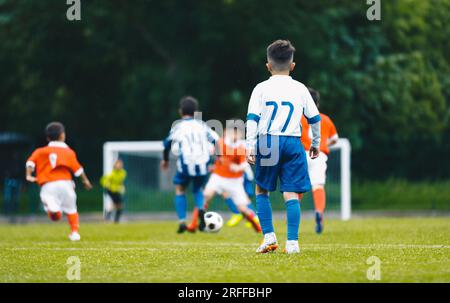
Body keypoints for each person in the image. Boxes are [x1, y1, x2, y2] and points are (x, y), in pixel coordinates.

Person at [246, 40, 321, 254]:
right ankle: (293, 243)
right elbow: (315, 119)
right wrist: (315, 143)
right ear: (293, 65)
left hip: (268, 141)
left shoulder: (261, 88)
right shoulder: (300, 88)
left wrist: (250, 145)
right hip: (293, 142)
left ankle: (269, 237)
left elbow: (252, 118)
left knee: (262, 189)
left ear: (268, 66)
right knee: (291, 193)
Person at [25, 122, 93, 241]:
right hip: (66, 184)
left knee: (54, 214)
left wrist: (29, 175)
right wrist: (86, 181)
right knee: (72, 209)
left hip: (48, 184)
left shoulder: (40, 151)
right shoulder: (69, 152)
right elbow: (78, 170)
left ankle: (54, 209)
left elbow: (30, 163)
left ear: (47, 137)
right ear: (62, 135)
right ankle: (75, 233)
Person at [161, 96, 218, 233]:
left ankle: (182, 221)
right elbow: (217, 141)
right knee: (198, 190)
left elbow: (167, 144)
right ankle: (201, 209)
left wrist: (166, 160)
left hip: (186, 164)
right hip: (203, 164)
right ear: (195, 111)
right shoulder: (202, 125)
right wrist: (217, 160)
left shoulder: (178, 127)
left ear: (181, 111)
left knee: (180, 189)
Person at [189, 127, 261, 233]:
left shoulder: (241, 148)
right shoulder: (221, 143)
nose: (233, 136)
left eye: (236, 134)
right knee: (206, 196)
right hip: (218, 177)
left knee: (243, 209)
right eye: (231, 133)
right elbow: (216, 155)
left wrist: (238, 167)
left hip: (234, 181)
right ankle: (193, 224)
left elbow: (244, 164)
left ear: (240, 135)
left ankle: (256, 226)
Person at [301, 88, 339, 234]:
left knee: (297, 187)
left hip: (302, 154)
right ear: (317, 102)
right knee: (317, 185)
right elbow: (334, 139)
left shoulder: (299, 118)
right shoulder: (325, 118)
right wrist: (324, 145)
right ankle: (319, 212)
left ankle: (293, 215)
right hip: (319, 154)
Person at [101, 159, 127, 223]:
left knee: (118, 204)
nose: (119, 166)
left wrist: (122, 187)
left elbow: (121, 182)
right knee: (119, 204)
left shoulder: (123, 173)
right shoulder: (111, 173)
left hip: (117, 191)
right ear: (115, 165)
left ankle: (109, 216)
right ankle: (114, 218)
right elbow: (103, 180)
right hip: (111, 190)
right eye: (118, 164)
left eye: (120, 164)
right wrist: (106, 184)